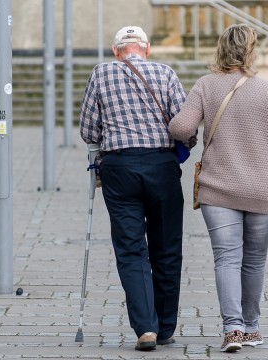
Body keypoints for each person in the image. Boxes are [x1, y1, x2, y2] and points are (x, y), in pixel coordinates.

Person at [169, 23, 268, 353]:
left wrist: (176, 126)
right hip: (264, 190)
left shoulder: (205, 85)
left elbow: (181, 127)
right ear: (252, 50)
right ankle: (251, 327)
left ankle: (232, 329)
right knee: (254, 262)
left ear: (221, 49)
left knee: (226, 259)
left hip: (218, 189)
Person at [79, 25, 187, 352]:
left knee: (130, 248)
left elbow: (88, 129)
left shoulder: (100, 73)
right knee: (166, 246)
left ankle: (146, 329)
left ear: (116, 51)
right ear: (147, 48)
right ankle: (165, 326)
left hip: (119, 168)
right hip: (161, 167)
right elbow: (184, 123)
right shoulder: (166, 74)